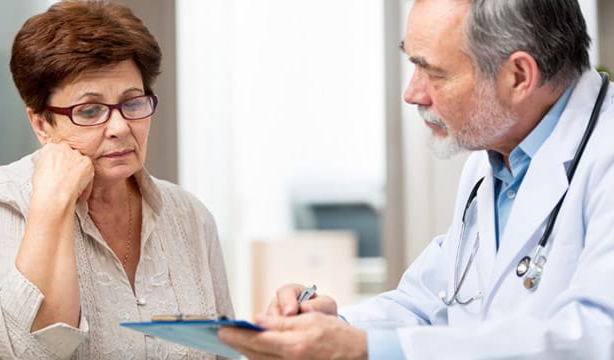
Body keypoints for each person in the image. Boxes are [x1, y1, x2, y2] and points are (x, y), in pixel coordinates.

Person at [218, 0, 614, 358]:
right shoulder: (494, 160)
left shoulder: (603, 157)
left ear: (518, 76)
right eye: (413, 65)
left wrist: (363, 349)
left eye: (433, 73)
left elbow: (595, 339)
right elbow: (429, 303)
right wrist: (327, 328)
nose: (412, 93)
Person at [0, 1, 233, 359]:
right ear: (41, 124)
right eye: (90, 111)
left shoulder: (190, 216)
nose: (120, 127)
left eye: (132, 102)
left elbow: (221, 351)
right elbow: (23, 352)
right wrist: (52, 204)